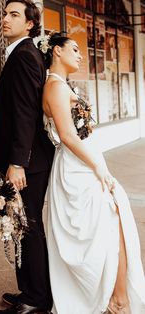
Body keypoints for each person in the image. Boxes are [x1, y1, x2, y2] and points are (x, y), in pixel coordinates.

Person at [40, 32, 145, 314]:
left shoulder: (61, 85)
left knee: (112, 220)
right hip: (77, 166)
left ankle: (116, 295)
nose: (80, 54)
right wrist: (98, 167)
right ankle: (117, 299)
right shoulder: (55, 87)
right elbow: (67, 136)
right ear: (57, 52)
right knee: (110, 220)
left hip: (84, 160)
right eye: (74, 49)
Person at [0, 1, 54, 313]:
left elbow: (25, 113)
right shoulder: (19, 54)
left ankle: (38, 298)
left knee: (28, 226)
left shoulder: (25, 56)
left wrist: (17, 162)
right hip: (24, 161)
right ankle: (29, 291)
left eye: (14, 14)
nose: (5, 19)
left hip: (29, 163)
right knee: (21, 225)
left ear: (29, 24)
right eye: (4, 13)